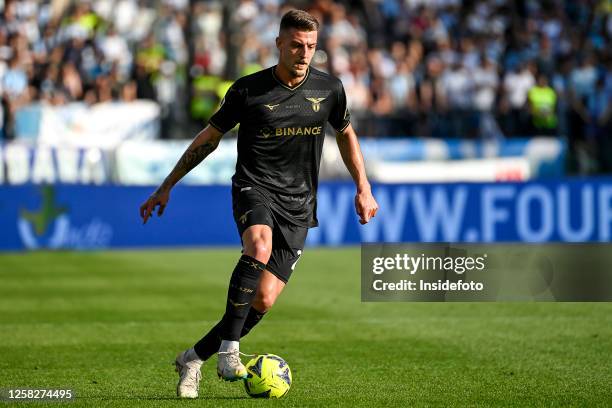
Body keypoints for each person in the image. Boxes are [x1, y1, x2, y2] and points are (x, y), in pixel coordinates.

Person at [139, 10, 379, 399]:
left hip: (299, 204)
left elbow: (346, 135)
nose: (304, 54)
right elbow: (209, 138)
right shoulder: (248, 90)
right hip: (255, 188)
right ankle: (229, 353)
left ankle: (194, 357)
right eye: (297, 45)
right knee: (259, 246)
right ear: (279, 44)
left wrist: (363, 187)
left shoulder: (330, 89)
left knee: (263, 298)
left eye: (312, 47)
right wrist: (167, 186)